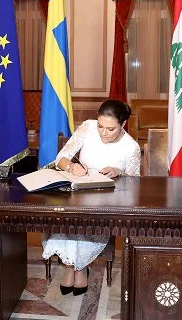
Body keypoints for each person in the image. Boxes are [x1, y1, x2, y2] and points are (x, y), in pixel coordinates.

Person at [42, 99, 140, 296]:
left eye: (110, 129)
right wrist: (71, 166)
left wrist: (117, 171)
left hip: (106, 203)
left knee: (84, 220)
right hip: (77, 193)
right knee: (67, 217)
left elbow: (135, 185)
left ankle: (76, 268)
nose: (103, 133)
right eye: (100, 126)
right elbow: (61, 158)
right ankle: (74, 267)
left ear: (123, 125)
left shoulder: (132, 147)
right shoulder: (87, 127)